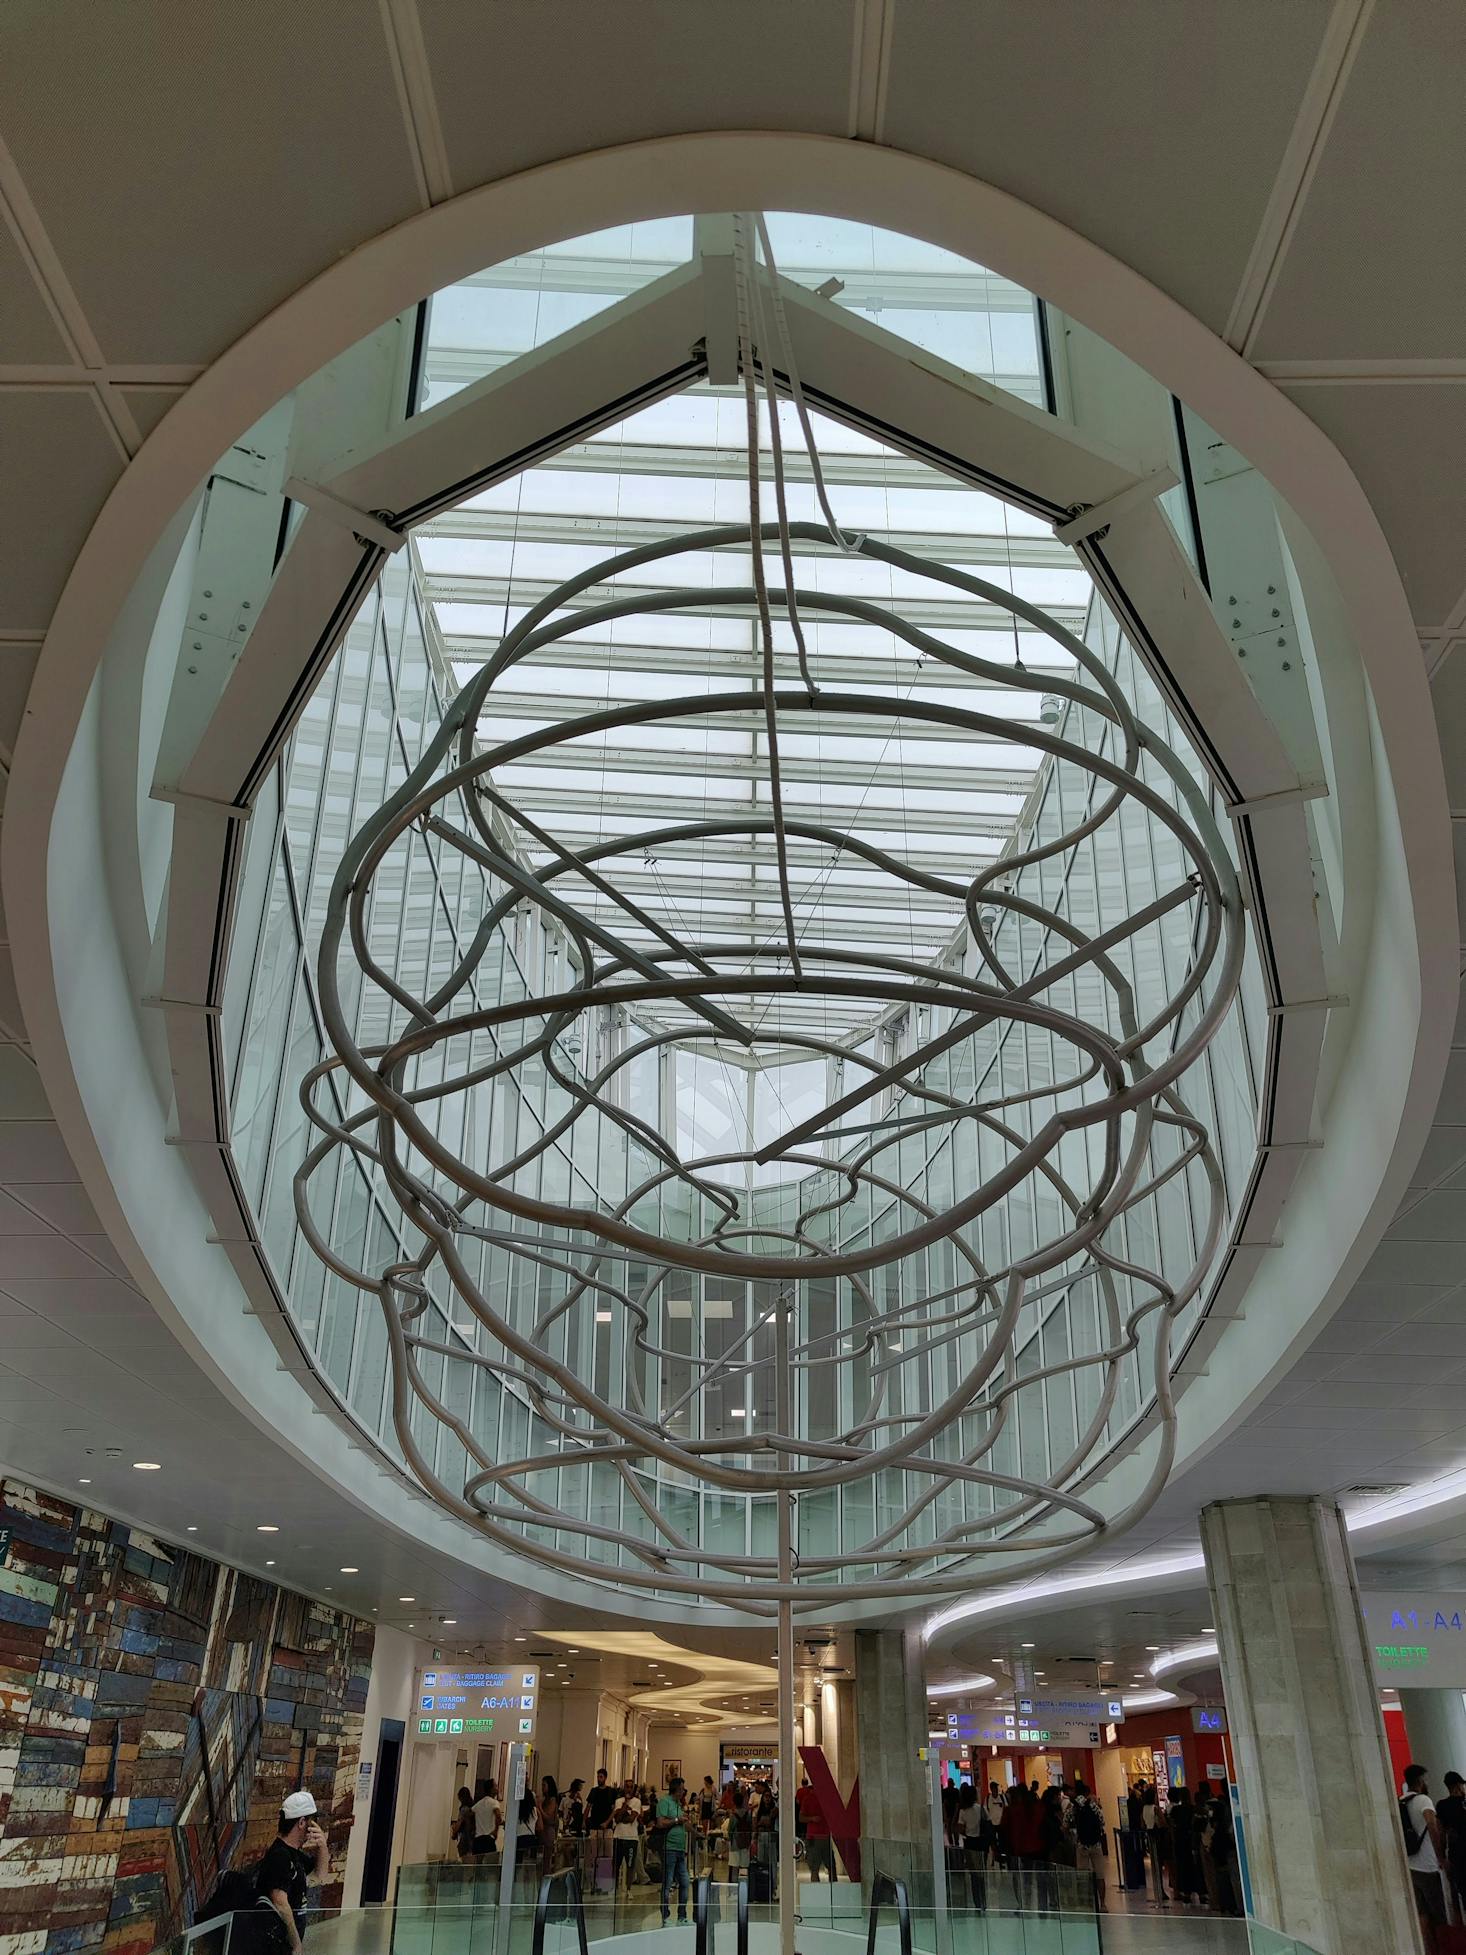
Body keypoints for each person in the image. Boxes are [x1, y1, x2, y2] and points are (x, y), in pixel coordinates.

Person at [255, 1791, 330, 1955]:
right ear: (302, 1822)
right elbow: (280, 1902)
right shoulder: (279, 1856)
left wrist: (322, 1847)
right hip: (276, 1943)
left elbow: (319, 1875)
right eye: (312, 1821)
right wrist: (296, 1944)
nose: (313, 1826)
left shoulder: (295, 1854)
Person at [1402, 1763, 1448, 1941]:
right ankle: (1446, 1948)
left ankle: (1428, 1949)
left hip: (1411, 1865)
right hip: (1427, 1866)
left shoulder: (1401, 1800)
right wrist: (1441, 1856)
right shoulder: (1424, 1800)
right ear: (1420, 1780)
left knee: (1422, 1914)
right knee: (1439, 1912)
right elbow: (1432, 1825)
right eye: (1426, 1779)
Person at [656, 1775, 691, 1924]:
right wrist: (677, 1820)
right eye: (682, 1789)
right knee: (668, 1882)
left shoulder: (678, 1804)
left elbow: (684, 1824)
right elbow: (661, 1823)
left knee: (684, 1882)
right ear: (676, 1789)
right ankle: (665, 1916)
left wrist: (696, 1834)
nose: (683, 1792)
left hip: (679, 1849)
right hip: (669, 1848)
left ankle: (682, 1915)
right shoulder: (664, 1802)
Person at [1068, 1780, 1107, 1911]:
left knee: (1083, 1875)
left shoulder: (1073, 1806)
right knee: (1100, 1875)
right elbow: (1102, 1820)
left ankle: (1086, 1903)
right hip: (1096, 1844)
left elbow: (1065, 1823)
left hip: (1082, 1845)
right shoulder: (1092, 1805)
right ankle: (1102, 1904)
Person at [796, 1777, 836, 1883]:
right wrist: (812, 1818)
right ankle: (820, 1890)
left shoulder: (823, 1799)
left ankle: (822, 1890)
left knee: (826, 1866)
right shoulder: (809, 1798)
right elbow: (801, 1818)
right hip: (815, 1836)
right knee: (816, 1867)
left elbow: (801, 1817)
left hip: (822, 1836)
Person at [1438, 1771, 1466, 1915]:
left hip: (1457, 1855)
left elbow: (1441, 1833)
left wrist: (1442, 1857)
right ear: (1457, 1786)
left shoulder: (1442, 1806)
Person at [956, 1783, 987, 1909]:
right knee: (982, 1872)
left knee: (974, 1873)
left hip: (970, 1842)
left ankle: (977, 1902)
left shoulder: (963, 1811)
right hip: (981, 1842)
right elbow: (987, 1822)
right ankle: (983, 1900)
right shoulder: (980, 1808)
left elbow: (960, 1828)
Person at [1168, 1785, 1198, 1905]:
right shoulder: (1193, 1809)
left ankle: (1186, 1892)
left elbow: (1172, 1825)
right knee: (1194, 1866)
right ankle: (1200, 1892)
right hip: (1191, 1841)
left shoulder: (1176, 1811)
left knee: (1182, 1867)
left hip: (1180, 1842)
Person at [1140, 1786, 1170, 1907]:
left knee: (1154, 1864)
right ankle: (1160, 1891)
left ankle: (1158, 1890)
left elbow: (1142, 1824)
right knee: (1159, 1863)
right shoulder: (1155, 1809)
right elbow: (1163, 1823)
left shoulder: (1143, 1809)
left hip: (1149, 1835)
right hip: (1158, 1836)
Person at [586, 1768, 618, 1866]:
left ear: (605, 1778)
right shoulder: (594, 1791)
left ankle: (605, 1875)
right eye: (598, 1777)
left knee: (608, 1853)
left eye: (601, 1777)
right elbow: (588, 1806)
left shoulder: (611, 1792)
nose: (599, 1779)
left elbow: (614, 1809)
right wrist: (584, 1820)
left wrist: (607, 1822)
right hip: (595, 1825)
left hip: (607, 1826)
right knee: (595, 1853)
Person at [471, 1780, 502, 1861]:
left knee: (478, 1866)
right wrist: (496, 1830)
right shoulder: (494, 1802)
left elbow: (470, 1814)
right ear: (491, 1789)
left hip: (478, 1839)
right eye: (496, 1786)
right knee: (491, 1866)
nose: (497, 1788)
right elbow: (498, 1816)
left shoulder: (478, 1804)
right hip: (488, 1838)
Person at [728, 1787, 753, 1878]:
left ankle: (734, 1885)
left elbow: (730, 1829)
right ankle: (744, 1883)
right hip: (745, 1841)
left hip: (735, 1842)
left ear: (734, 1802)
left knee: (734, 1865)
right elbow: (750, 1826)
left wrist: (730, 1839)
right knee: (744, 1865)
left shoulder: (733, 1815)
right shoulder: (748, 1814)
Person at [453, 1787, 476, 1861]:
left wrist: (454, 1830)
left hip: (466, 1836)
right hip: (473, 1835)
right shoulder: (473, 1807)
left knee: (465, 1859)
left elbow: (459, 1823)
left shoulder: (464, 1809)